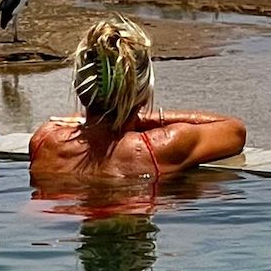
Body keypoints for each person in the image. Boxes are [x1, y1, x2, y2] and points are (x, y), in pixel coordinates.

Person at [29, 15, 246, 181]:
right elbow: (234, 130)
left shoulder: (45, 140)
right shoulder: (160, 146)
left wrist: (89, 119)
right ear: (142, 91)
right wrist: (144, 118)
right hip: (129, 230)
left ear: (80, 88)